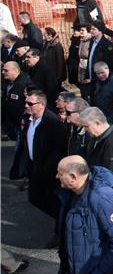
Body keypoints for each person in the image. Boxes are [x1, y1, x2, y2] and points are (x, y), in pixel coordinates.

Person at [9, 89, 68, 248]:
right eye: (26, 102)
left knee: (54, 200)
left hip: (48, 171)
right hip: (34, 167)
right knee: (34, 198)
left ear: (41, 105)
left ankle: (61, 230)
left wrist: (48, 170)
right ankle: (61, 221)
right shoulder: (28, 119)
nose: (26, 105)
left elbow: (58, 150)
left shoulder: (52, 123)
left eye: (30, 103)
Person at [1, 61, 31, 140]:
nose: (3, 72)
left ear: (15, 70)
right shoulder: (6, 82)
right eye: (3, 70)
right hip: (9, 122)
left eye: (6, 70)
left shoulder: (25, 83)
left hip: (20, 123)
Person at [91, 61, 113, 127]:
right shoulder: (96, 83)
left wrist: (109, 121)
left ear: (107, 69)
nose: (100, 75)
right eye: (98, 74)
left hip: (111, 121)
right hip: (99, 116)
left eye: (102, 72)